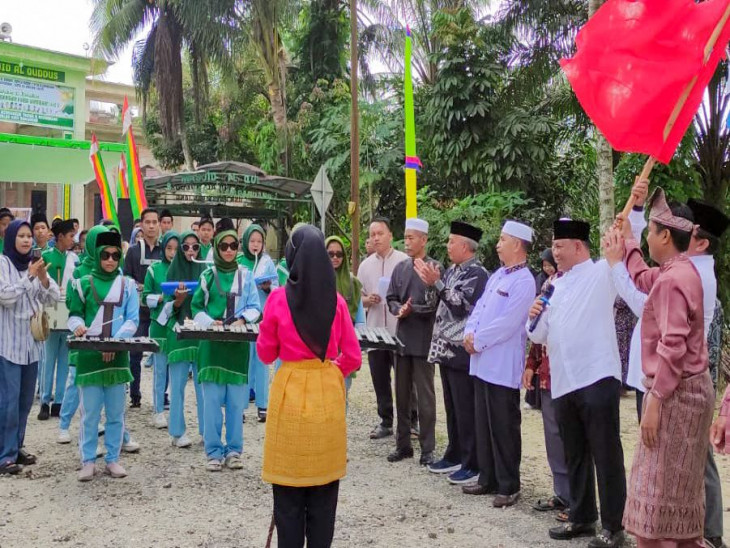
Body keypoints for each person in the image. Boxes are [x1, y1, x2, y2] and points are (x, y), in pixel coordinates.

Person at [605, 189, 712, 548]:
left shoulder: (674, 279)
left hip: (676, 394)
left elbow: (673, 347)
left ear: (665, 235)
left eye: (650, 231)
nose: (648, 236)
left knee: (655, 508)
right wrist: (629, 242)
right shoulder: (677, 271)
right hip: (686, 392)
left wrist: (655, 401)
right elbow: (641, 277)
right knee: (676, 499)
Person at [256, 225, 361, 548]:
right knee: (324, 492)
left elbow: (265, 353)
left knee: (288, 495)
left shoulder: (277, 299)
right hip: (326, 392)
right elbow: (353, 357)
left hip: (290, 392)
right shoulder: (338, 302)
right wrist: (330, 369)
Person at [527, 218, 626, 548]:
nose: (554, 252)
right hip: (565, 382)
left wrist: (633, 212)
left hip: (596, 377)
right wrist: (534, 313)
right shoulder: (556, 284)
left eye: (559, 246)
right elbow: (539, 334)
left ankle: (614, 526)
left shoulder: (601, 273)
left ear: (579, 247)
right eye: (553, 246)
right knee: (576, 454)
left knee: (605, 453)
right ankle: (582, 516)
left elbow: (625, 240)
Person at [461, 221, 535, 506]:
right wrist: (469, 332)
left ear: (517, 244)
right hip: (481, 362)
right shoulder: (498, 275)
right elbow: (479, 307)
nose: (497, 244)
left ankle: (509, 484)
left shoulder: (525, 281)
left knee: (504, 426)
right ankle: (487, 478)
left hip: (502, 365)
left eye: (503, 239)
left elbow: (509, 323)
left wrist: (477, 339)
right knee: (484, 423)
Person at [417, 221, 488, 485]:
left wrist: (438, 284)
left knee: (465, 407)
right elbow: (436, 302)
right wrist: (429, 283)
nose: (447, 246)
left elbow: (460, 306)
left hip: (461, 349)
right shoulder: (451, 271)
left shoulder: (478, 274)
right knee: (452, 406)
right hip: (444, 348)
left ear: (465, 247)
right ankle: (454, 453)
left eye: (451, 242)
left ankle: (472, 462)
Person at [67, 230, 139, 481]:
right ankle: (87, 460)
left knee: (116, 412)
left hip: (117, 357)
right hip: (90, 357)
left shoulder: (127, 284)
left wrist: (114, 344)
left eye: (115, 255)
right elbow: (74, 313)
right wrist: (77, 326)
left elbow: (132, 320)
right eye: (106, 255)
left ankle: (112, 458)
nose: (110, 260)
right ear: (98, 255)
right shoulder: (82, 282)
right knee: (90, 413)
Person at [190, 227, 260, 471]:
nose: (229, 250)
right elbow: (196, 307)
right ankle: (213, 451)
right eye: (224, 246)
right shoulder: (207, 276)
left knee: (236, 402)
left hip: (237, 346)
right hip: (211, 346)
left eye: (233, 246)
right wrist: (210, 322)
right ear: (217, 249)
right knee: (211, 402)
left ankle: (234, 450)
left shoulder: (247, 275)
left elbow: (254, 306)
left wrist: (243, 319)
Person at [0, 220, 60, 475]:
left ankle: (17, 447)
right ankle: (4, 455)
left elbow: (53, 298)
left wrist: (44, 279)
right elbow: (6, 297)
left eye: (28, 237)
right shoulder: (3, 264)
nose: (26, 240)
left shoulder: (34, 264)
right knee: (8, 402)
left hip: (32, 346)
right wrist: (30, 277)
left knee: (25, 402)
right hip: (8, 345)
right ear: (11, 238)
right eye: (21, 236)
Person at [385, 218, 440, 466]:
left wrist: (411, 309)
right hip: (403, 339)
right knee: (402, 395)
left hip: (424, 342)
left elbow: (435, 304)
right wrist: (399, 309)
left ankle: (428, 448)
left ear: (424, 240)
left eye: (411, 238)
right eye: (405, 238)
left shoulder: (435, 269)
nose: (406, 242)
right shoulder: (400, 268)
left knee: (426, 397)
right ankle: (403, 444)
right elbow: (392, 298)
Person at [357, 217, 408, 439]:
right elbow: (358, 298)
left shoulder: (404, 261)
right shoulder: (365, 266)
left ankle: (410, 421)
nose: (375, 238)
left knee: (405, 378)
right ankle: (385, 421)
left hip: (400, 330)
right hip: (375, 329)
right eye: (372, 234)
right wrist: (368, 300)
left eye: (380, 233)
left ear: (390, 236)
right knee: (380, 378)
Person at [165, 231, 206, 448]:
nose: (191, 251)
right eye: (186, 247)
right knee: (178, 385)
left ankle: (206, 431)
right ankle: (177, 432)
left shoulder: (207, 270)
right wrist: (178, 301)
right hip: (179, 333)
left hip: (200, 334)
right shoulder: (173, 271)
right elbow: (164, 309)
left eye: (195, 247)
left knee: (204, 386)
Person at [238, 224, 279, 422]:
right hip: (243, 318)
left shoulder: (267, 262)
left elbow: (277, 288)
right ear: (246, 242)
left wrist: (267, 287)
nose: (255, 245)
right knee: (244, 361)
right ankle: (242, 405)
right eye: (252, 241)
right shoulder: (238, 261)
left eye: (259, 241)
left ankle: (263, 405)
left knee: (263, 361)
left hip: (263, 318)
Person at [38, 219, 78, 420]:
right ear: (60, 237)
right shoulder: (45, 257)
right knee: (48, 357)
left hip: (68, 309)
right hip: (50, 308)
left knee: (64, 358)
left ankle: (59, 401)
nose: (73, 240)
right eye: (70, 236)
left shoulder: (74, 259)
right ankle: (45, 400)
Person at [123, 208, 161, 407]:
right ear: (142, 225)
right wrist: (137, 285)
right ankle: (135, 394)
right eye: (148, 222)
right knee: (135, 352)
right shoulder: (133, 250)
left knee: (162, 353)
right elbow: (126, 276)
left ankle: (161, 396)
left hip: (161, 310)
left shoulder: (166, 250)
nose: (152, 226)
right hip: (138, 309)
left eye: (155, 222)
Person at [142, 231, 179, 428]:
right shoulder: (154, 270)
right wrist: (160, 298)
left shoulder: (185, 269)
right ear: (162, 248)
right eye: (169, 248)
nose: (172, 252)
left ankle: (174, 411)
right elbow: (144, 297)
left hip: (178, 327)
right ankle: (157, 411)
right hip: (159, 324)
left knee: (177, 372)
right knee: (159, 371)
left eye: (176, 248)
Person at [326, 235, 366, 400]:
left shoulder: (353, 283)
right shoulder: (314, 280)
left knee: (342, 394)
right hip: (322, 348)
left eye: (339, 254)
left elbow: (360, 320)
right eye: (330, 254)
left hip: (343, 349)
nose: (335, 258)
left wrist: (356, 348)